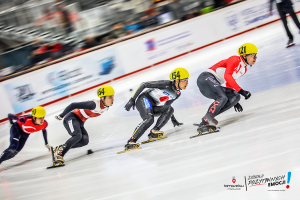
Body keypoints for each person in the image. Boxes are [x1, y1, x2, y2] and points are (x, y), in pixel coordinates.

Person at [196, 43, 258, 133]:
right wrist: (241, 91)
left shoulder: (243, 69)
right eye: (253, 55)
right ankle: (205, 122)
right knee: (223, 97)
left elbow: (230, 81)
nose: (255, 58)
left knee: (235, 96)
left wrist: (235, 101)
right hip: (206, 78)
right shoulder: (234, 59)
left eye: (256, 55)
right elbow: (227, 76)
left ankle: (208, 117)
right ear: (244, 55)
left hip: (212, 83)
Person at [122, 68, 189, 151]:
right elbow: (144, 84)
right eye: (184, 80)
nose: (187, 83)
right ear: (176, 80)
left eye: (187, 80)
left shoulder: (177, 94)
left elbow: (167, 106)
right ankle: (131, 141)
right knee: (149, 119)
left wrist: (173, 120)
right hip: (143, 99)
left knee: (169, 109)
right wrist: (132, 99)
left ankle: (154, 131)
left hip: (152, 105)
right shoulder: (165, 84)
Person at [54, 85, 115, 165]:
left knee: (84, 141)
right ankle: (59, 155)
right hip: (71, 118)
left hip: (80, 122)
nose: (113, 99)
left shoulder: (106, 107)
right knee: (77, 136)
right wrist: (61, 115)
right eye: (110, 97)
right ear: (102, 98)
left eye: (113, 96)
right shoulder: (93, 104)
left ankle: (61, 148)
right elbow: (73, 105)